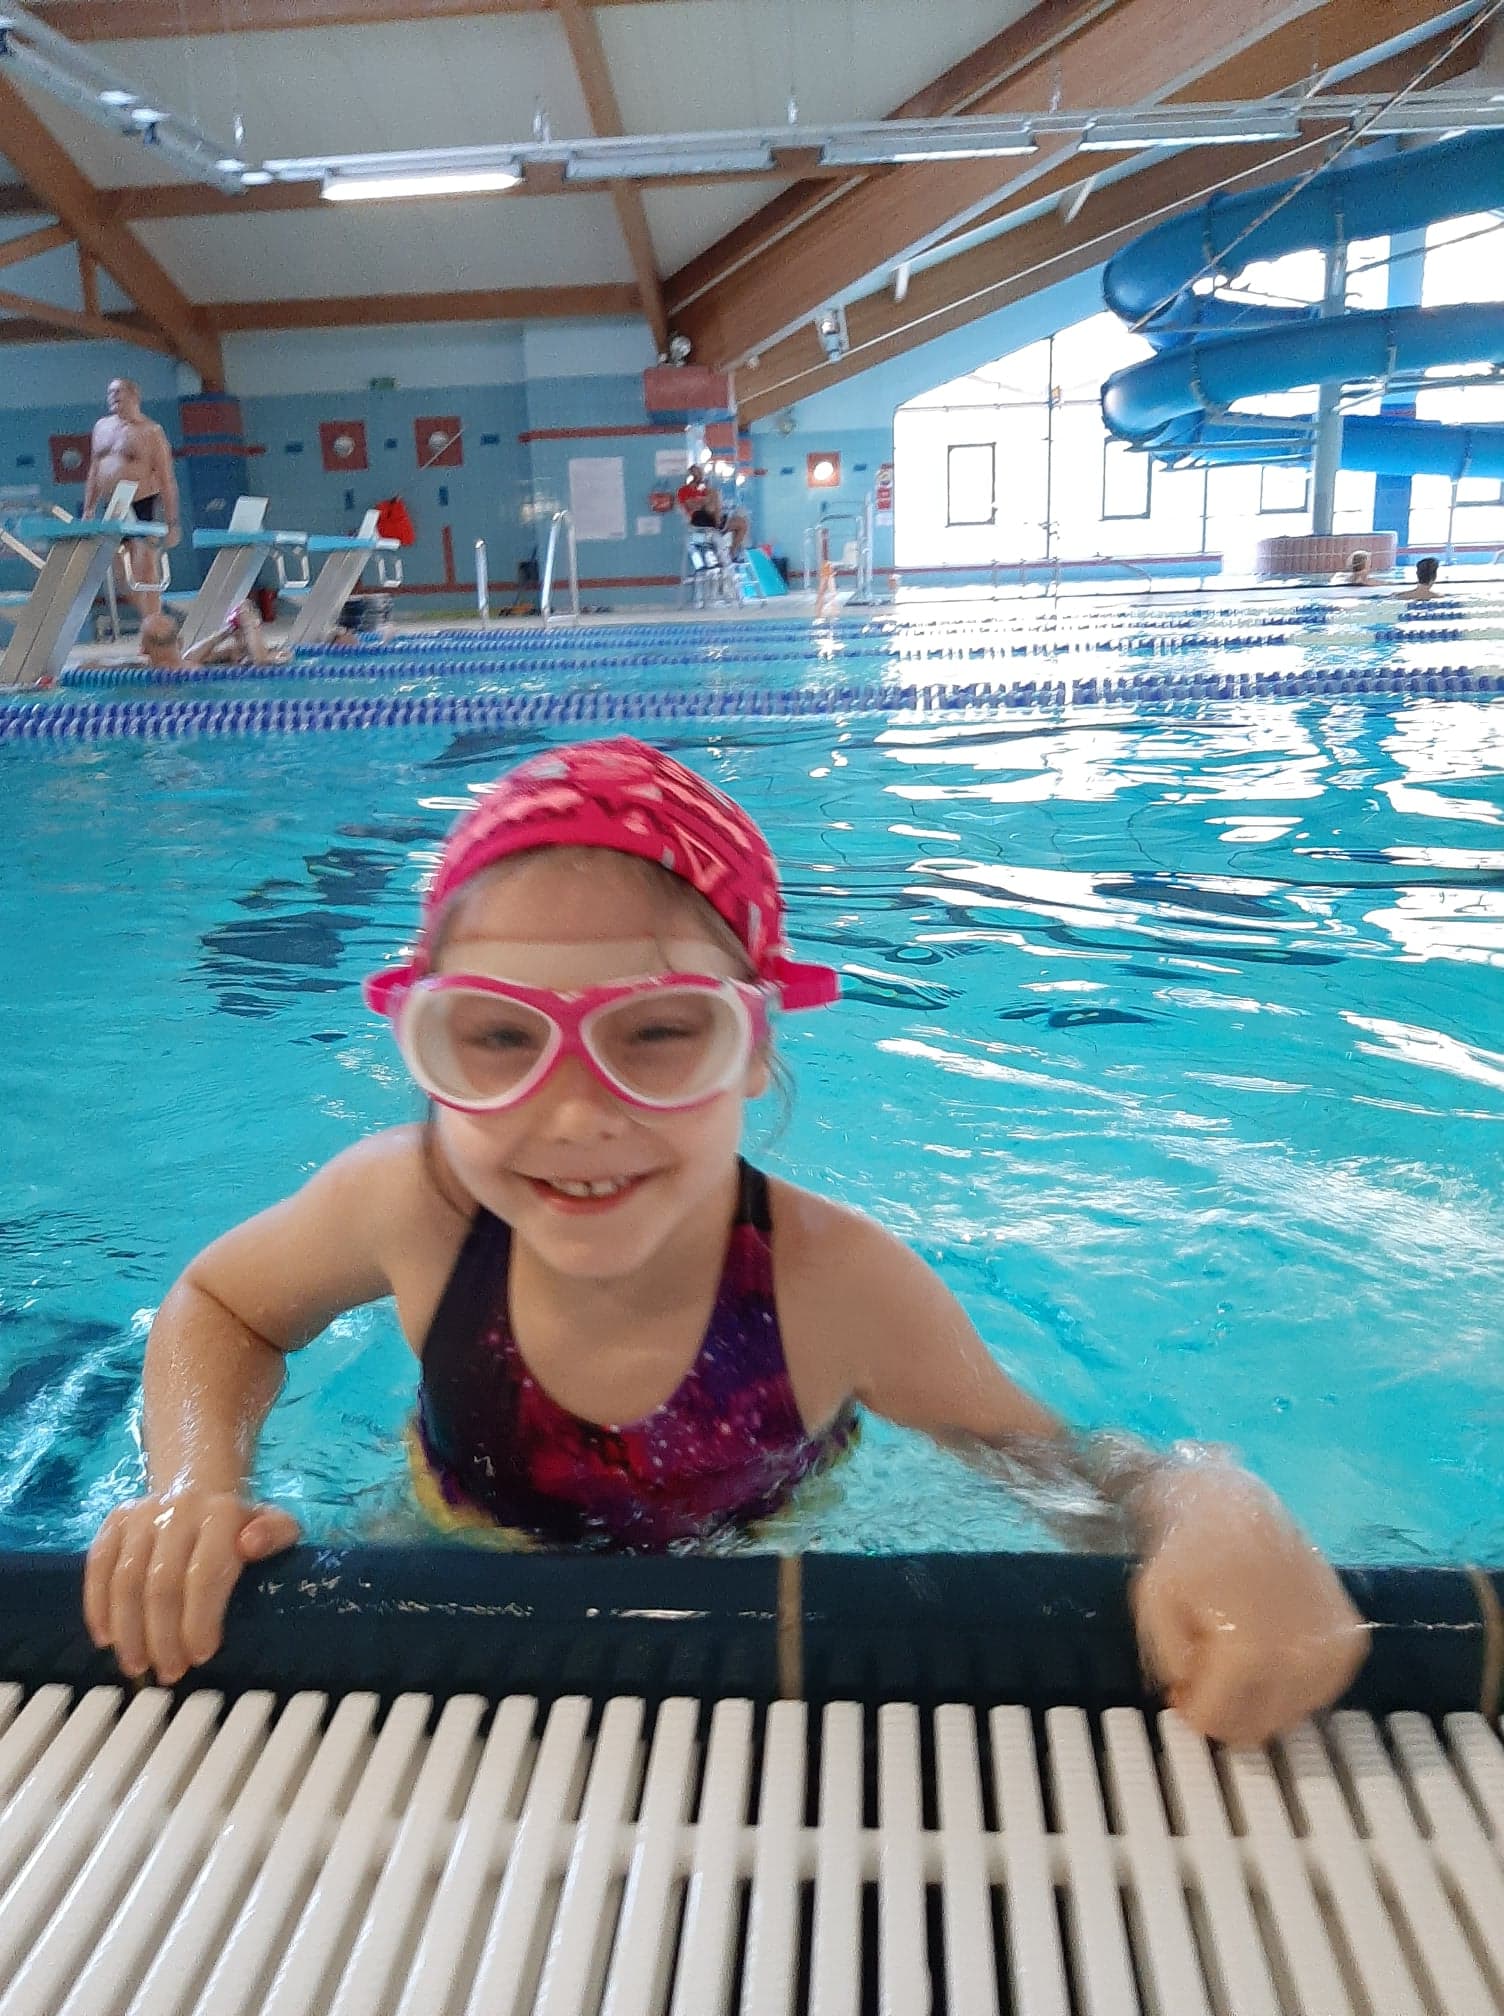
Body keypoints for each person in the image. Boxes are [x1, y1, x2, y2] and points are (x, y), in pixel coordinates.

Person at [83, 739, 1368, 1741]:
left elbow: (1070, 1476)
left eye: (658, 1032)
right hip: (439, 1544)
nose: (574, 1111)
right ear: (427, 1047)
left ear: (752, 1046)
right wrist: (194, 1485)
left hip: (753, 1583)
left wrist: (1211, 1500)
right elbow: (223, 1305)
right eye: (496, 1037)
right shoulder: (409, 1205)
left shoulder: (836, 1287)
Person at [82, 377, 181, 622]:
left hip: (143, 503)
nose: (112, 397)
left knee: (145, 570)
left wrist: (172, 522)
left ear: (134, 396)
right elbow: (94, 471)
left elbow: (167, 479)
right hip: (114, 506)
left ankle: (156, 626)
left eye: (118, 392)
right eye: (110, 392)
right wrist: (89, 509)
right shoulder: (101, 427)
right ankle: (152, 622)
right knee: (122, 578)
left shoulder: (151, 431)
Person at [138, 601, 284, 671]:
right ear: (180, 642)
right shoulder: (196, 668)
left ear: (143, 649)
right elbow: (262, 661)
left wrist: (226, 632)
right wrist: (251, 625)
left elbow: (190, 656)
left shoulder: (140, 672)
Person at [678, 469, 750, 559]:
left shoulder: (703, 490)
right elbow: (692, 504)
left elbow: (712, 502)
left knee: (742, 523)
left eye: (700, 474)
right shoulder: (684, 491)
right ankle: (718, 523)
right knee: (713, 497)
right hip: (699, 520)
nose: (700, 477)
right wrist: (705, 500)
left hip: (711, 518)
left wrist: (706, 499)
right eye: (697, 474)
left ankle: (732, 553)